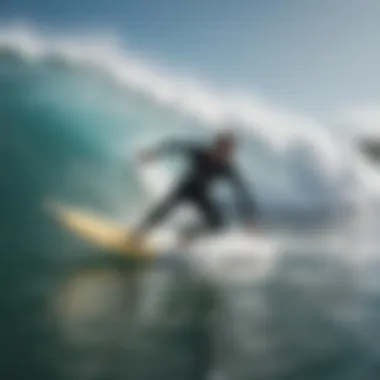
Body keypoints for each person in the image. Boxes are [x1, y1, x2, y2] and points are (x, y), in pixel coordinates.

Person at [133, 131, 258, 243]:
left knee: (218, 223)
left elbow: (241, 192)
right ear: (216, 145)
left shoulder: (226, 168)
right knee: (163, 210)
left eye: (228, 152)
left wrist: (249, 219)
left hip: (201, 194)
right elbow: (176, 146)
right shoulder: (200, 153)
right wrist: (153, 154)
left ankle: (187, 235)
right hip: (185, 188)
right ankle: (137, 234)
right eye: (223, 149)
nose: (225, 154)